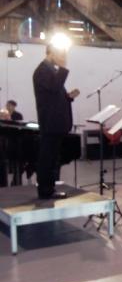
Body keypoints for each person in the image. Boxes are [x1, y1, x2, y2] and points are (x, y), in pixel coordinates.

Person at [32, 44, 80, 199]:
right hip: (50, 122)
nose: (62, 58)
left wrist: (68, 97)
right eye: (60, 55)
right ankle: (45, 190)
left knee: (53, 157)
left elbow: (54, 95)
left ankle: (50, 188)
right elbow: (53, 87)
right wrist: (63, 68)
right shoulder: (42, 71)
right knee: (47, 157)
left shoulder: (51, 70)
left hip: (56, 122)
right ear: (51, 53)